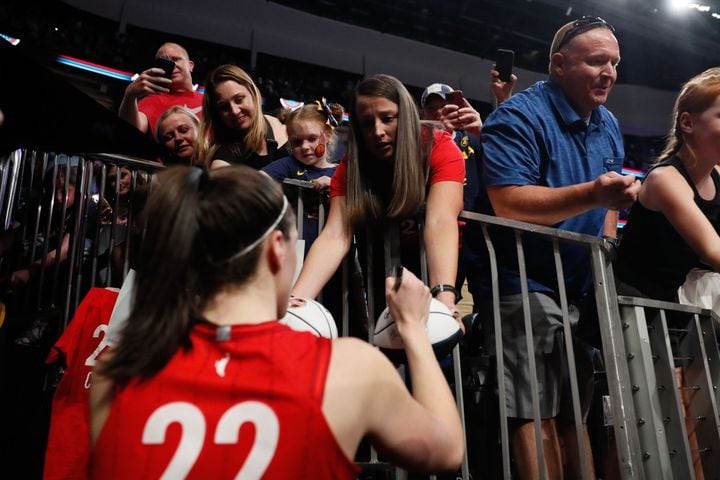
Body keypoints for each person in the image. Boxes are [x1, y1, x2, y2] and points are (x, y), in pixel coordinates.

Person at [88, 166, 464, 478]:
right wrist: (414, 328)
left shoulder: (115, 370)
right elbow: (446, 450)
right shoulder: (347, 367)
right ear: (276, 249)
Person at [466, 16, 640, 478]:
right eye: (596, 61)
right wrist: (593, 193)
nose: (609, 72)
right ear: (559, 65)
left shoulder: (608, 124)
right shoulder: (517, 116)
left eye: (615, 63)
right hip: (523, 282)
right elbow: (509, 202)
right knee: (533, 410)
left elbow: (606, 209)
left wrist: (604, 250)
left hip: (580, 288)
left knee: (573, 411)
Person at [291, 74, 465, 321]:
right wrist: (296, 301)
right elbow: (334, 234)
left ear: (405, 115)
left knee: (438, 339)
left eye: (388, 118)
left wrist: (445, 299)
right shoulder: (352, 165)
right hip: (381, 272)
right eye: (366, 123)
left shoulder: (438, 146)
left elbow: (440, 220)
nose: (378, 131)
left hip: (435, 263)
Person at [616, 68, 720, 302]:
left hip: (671, 311)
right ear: (687, 122)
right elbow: (714, 251)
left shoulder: (716, 175)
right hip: (631, 314)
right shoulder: (666, 179)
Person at [262, 104, 338, 254]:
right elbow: (257, 180)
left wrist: (335, 185)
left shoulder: (341, 172)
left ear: (327, 135)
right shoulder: (290, 164)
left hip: (332, 255)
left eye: (312, 138)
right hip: (296, 255)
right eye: (297, 142)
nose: (304, 146)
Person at [195, 64, 288, 170]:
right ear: (217, 113)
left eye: (239, 99)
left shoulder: (286, 121)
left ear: (253, 92)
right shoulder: (224, 156)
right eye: (224, 107)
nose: (234, 111)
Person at [118, 42, 203, 137]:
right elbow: (131, 131)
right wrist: (129, 95)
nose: (172, 65)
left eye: (176, 59)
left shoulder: (208, 100)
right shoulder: (152, 101)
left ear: (190, 65)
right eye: (165, 62)